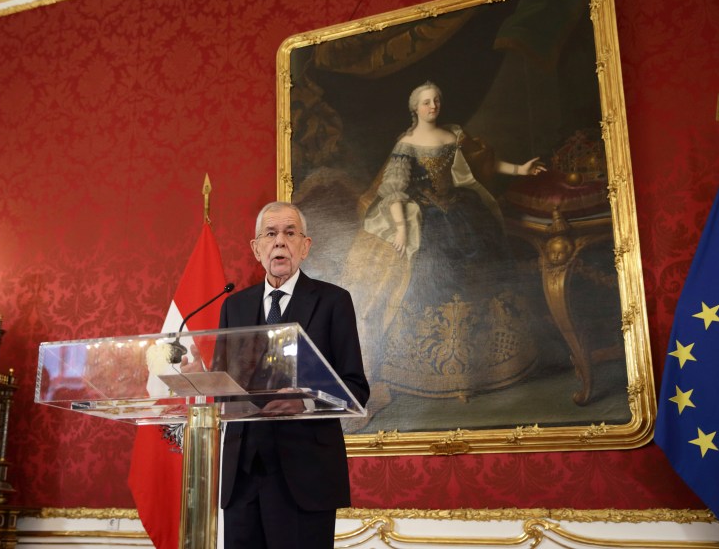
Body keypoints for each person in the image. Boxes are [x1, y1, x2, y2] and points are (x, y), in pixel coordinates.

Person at [344, 81, 543, 420]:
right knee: (435, 272)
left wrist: (520, 170)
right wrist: (403, 230)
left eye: (436, 100)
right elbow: (393, 190)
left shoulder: (453, 135)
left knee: (484, 271)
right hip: (426, 217)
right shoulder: (406, 144)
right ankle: (435, 371)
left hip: (463, 209)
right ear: (415, 108)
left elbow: (482, 168)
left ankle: (483, 364)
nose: (433, 106)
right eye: (425, 102)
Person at [214, 201, 370, 549]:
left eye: (289, 233)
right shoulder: (233, 306)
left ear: (305, 245)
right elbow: (221, 388)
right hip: (242, 477)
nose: (279, 242)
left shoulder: (333, 301)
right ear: (257, 249)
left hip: (304, 477)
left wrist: (305, 402)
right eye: (270, 234)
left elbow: (356, 388)